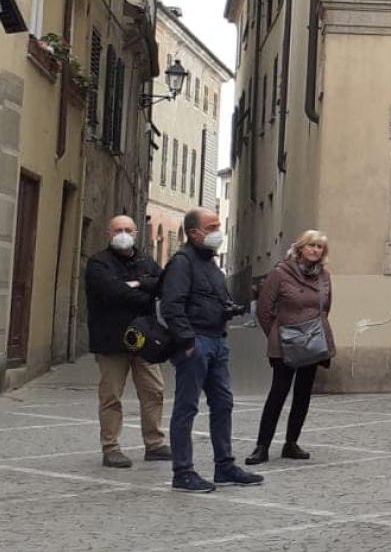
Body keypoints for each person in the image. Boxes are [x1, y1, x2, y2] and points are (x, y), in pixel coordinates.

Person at [160, 208, 260, 493]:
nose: (219, 231)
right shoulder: (182, 263)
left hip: (217, 340)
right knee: (186, 407)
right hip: (197, 343)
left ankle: (224, 466)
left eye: (219, 225)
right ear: (194, 233)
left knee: (223, 403)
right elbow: (172, 306)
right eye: (212, 226)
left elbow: (216, 299)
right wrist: (188, 342)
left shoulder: (212, 265)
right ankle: (183, 471)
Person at [83, 215, 169, 468]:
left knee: (154, 391)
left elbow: (163, 285)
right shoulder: (98, 263)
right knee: (111, 396)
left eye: (127, 230)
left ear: (136, 233)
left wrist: (139, 282)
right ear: (108, 234)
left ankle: (154, 443)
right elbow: (112, 292)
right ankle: (111, 447)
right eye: (117, 230)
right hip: (111, 340)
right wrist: (144, 296)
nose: (122, 233)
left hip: (145, 340)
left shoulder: (145, 261)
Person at [247, 230, 335, 466]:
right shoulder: (280, 273)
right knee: (278, 393)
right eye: (312, 245)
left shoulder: (324, 276)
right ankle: (262, 446)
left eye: (320, 247)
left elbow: (325, 308)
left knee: (303, 394)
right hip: (285, 342)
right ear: (300, 248)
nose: (316, 250)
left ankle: (291, 443)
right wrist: (277, 334)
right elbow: (265, 310)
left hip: (312, 341)